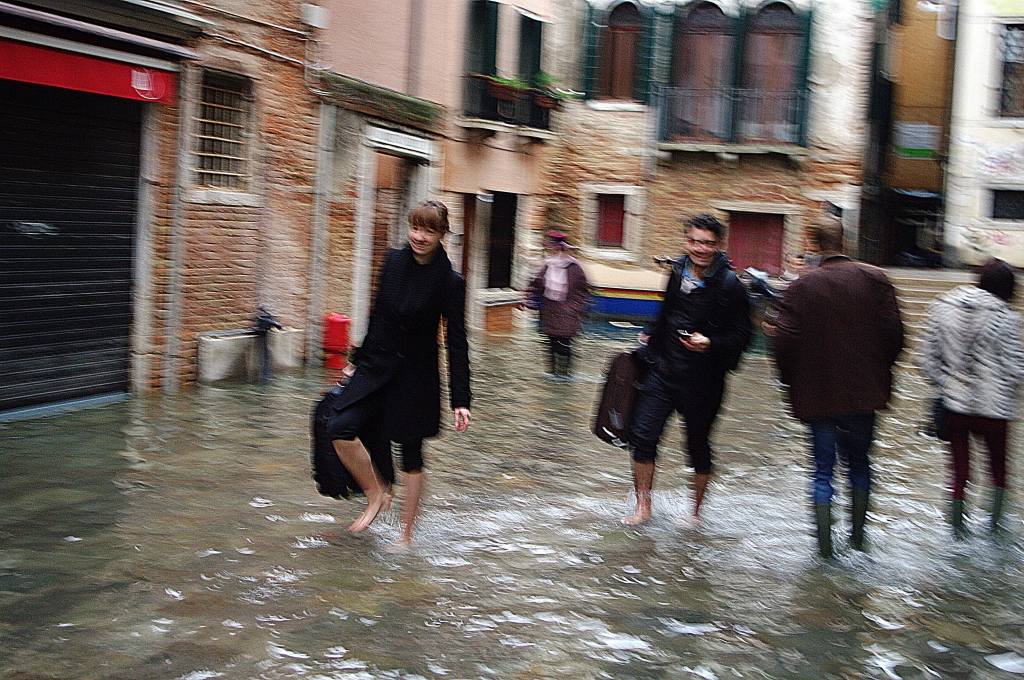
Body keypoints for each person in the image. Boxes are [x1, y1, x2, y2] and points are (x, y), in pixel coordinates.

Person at [328, 200, 471, 544]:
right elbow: (377, 314)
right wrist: (357, 359)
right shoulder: (392, 261)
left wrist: (461, 399)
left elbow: (457, 341)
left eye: (428, 231)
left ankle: (405, 536)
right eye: (415, 228)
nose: (419, 236)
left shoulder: (450, 281)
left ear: (442, 234)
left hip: (416, 375)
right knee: (338, 426)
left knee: (410, 454)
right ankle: (376, 492)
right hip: (376, 364)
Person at [770, 213, 903, 558]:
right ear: (845, 241)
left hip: (819, 396)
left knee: (822, 471)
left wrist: (791, 380)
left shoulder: (802, 286)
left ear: (813, 245)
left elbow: (783, 343)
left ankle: (825, 553)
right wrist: (877, 371)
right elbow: (895, 337)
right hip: (863, 394)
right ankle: (858, 540)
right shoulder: (875, 279)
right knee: (860, 465)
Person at [623, 214, 752, 526]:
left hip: (704, 380)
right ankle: (643, 507)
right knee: (643, 438)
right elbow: (667, 312)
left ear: (718, 245)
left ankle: (694, 514)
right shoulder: (677, 269)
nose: (700, 248)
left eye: (707, 243)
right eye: (694, 241)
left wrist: (710, 343)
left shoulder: (731, 285)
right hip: (663, 371)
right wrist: (651, 333)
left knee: (697, 445)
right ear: (686, 242)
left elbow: (744, 336)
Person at [918, 259, 1024, 538]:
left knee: (959, 474)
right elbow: (1015, 368)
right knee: (999, 473)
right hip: (995, 410)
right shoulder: (1007, 317)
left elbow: (925, 360)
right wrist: (1003, 392)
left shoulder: (942, 306)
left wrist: (948, 384)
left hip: (955, 408)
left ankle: (956, 535)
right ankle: (996, 536)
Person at [526, 231, 590, 377]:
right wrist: (529, 300)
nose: (553, 252)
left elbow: (583, 289)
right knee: (551, 344)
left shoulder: (575, 268)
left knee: (564, 344)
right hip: (550, 312)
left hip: (568, 313)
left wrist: (574, 308)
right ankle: (553, 374)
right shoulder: (548, 266)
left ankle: (565, 375)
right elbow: (537, 285)